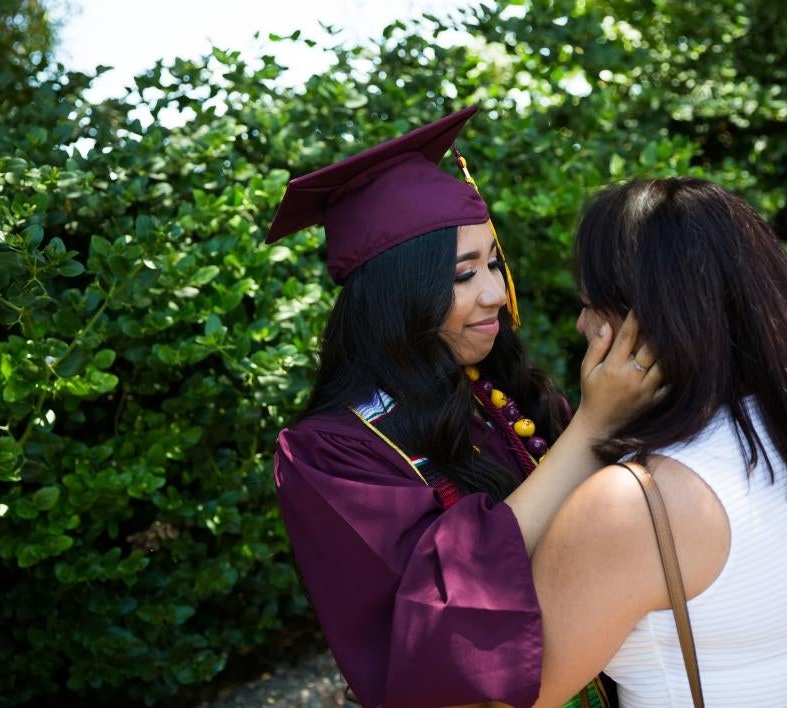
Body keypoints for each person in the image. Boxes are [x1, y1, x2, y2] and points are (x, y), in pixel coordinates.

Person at [265, 106, 663, 708]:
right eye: (462, 274)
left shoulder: (497, 391)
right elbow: (438, 609)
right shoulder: (328, 454)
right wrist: (593, 426)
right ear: (399, 296)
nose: (495, 293)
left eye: (493, 263)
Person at [529, 177, 787, 707]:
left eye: (589, 304)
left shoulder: (632, 505)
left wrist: (590, 426)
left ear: (645, 324)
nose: (580, 323)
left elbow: (511, 692)